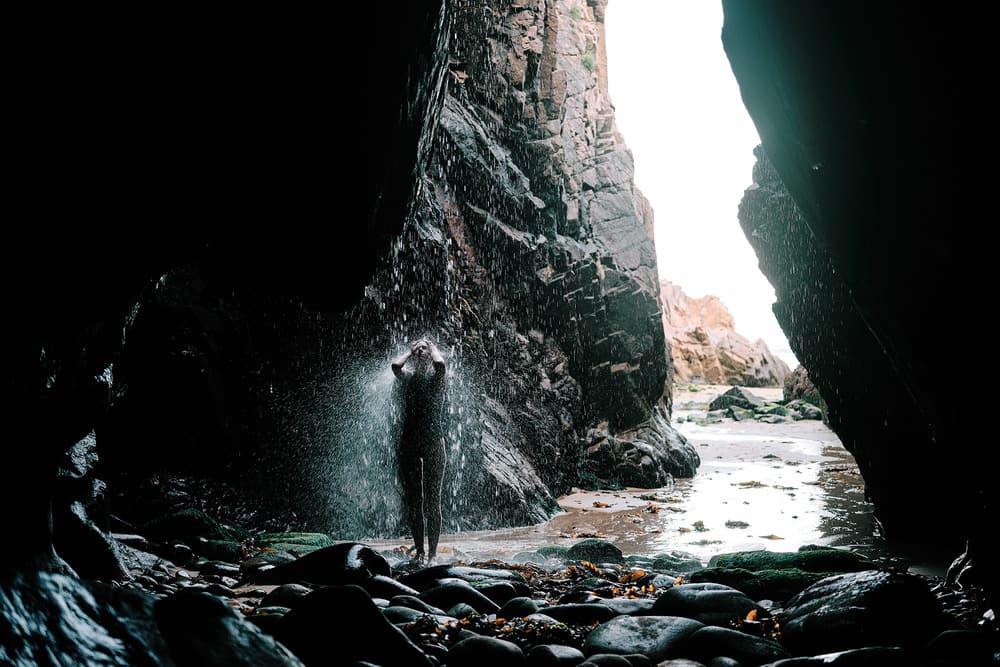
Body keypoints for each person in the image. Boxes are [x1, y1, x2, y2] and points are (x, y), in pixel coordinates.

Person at [391, 337, 447, 564]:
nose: (421, 351)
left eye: (425, 348)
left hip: (433, 441)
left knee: (433, 499)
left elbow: (441, 365)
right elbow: (395, 366)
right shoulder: (407, 379)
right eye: (418, 349)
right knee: (414, 499)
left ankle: (433, 554)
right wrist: (410, 350)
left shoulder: (438, 379)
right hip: (410, 442)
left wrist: (431, 347)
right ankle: (420, 552)